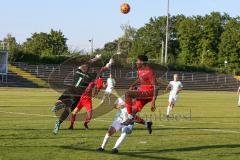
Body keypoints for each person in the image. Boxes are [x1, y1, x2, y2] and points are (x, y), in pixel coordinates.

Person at [52, 56, 113, 134]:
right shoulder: (91, 75)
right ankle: (59, 121)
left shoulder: (78, 71)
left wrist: (96, 58)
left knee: (62, 102)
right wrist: (109, 64)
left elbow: (87, 63)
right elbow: (102, 70)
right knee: (68, 110)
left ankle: (59, 107)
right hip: (78, 95)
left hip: (70, 90)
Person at [122, 55, 158, 131]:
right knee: (134, 111)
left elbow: (156, 86)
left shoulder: (149, 71)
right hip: (142, 93)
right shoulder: (140, 70)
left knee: (127, 94)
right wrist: (133, 85)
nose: (136, 62)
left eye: (137, 60)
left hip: (148, 93)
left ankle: (129, 119)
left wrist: (153, 101)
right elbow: (140, 79)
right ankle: (146, 123)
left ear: (142, 62)